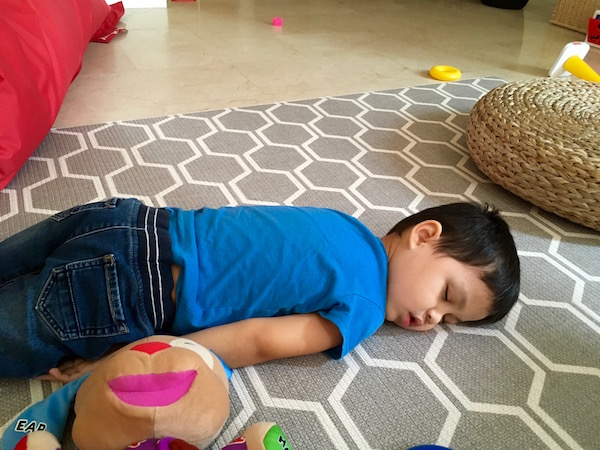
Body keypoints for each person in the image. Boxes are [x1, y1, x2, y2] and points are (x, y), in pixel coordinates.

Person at [0, 198, 520, 380]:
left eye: (449, 322)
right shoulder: (362, 306)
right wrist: (136, 361)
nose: (432, 320)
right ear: (424, 235)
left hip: (124, 219)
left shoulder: (343, 222)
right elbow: (257, 340)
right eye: (447, 297)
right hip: (126, 291)